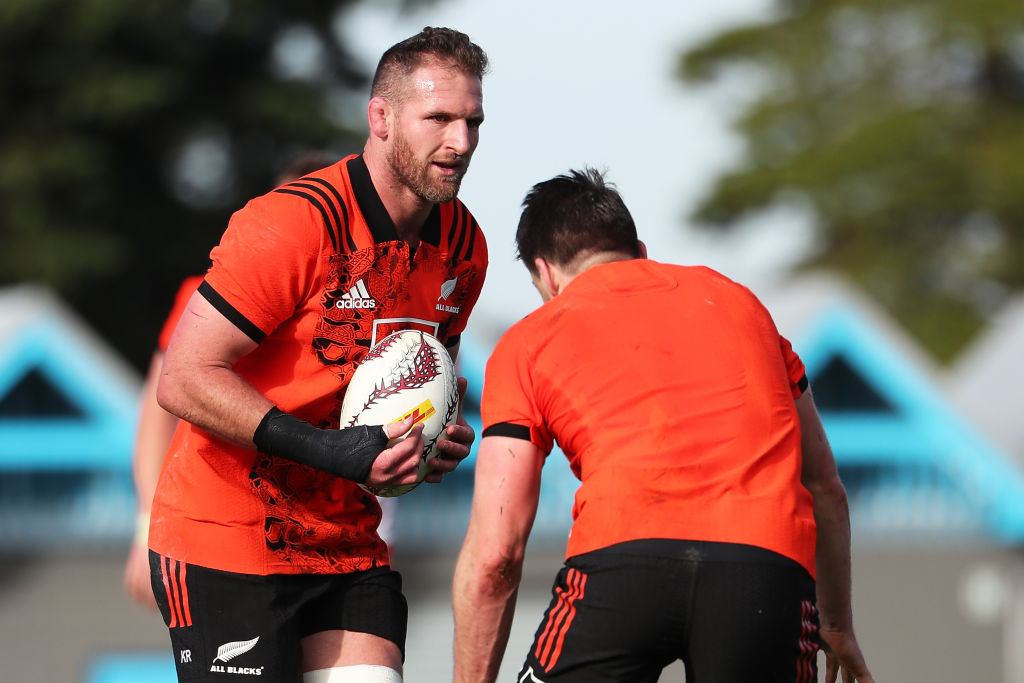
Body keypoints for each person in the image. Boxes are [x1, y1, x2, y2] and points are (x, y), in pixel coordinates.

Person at [149, 27, 488, 683]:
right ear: (381, 117)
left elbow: (428, 380)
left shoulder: (464, 244)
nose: (461, 143)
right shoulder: (293, 224)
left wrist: (437, 442)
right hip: (228, 535)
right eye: (439, 119)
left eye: (472, 121)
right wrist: (331, 450)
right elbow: (183, 378)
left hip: (345, 542)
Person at [451, 168, 873, 683]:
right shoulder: (743, 306)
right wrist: (836, 624)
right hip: (765, 570)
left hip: (622, 559)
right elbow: (826, 486)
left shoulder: (527, 341)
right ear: (641, 251)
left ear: (545, 274)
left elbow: (496, 553)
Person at [123, 151, 338, 610]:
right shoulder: (207, 298)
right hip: (229, 528)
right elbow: (157, 412)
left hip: (338, 529)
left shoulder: (363, 308)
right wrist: (146, 521)